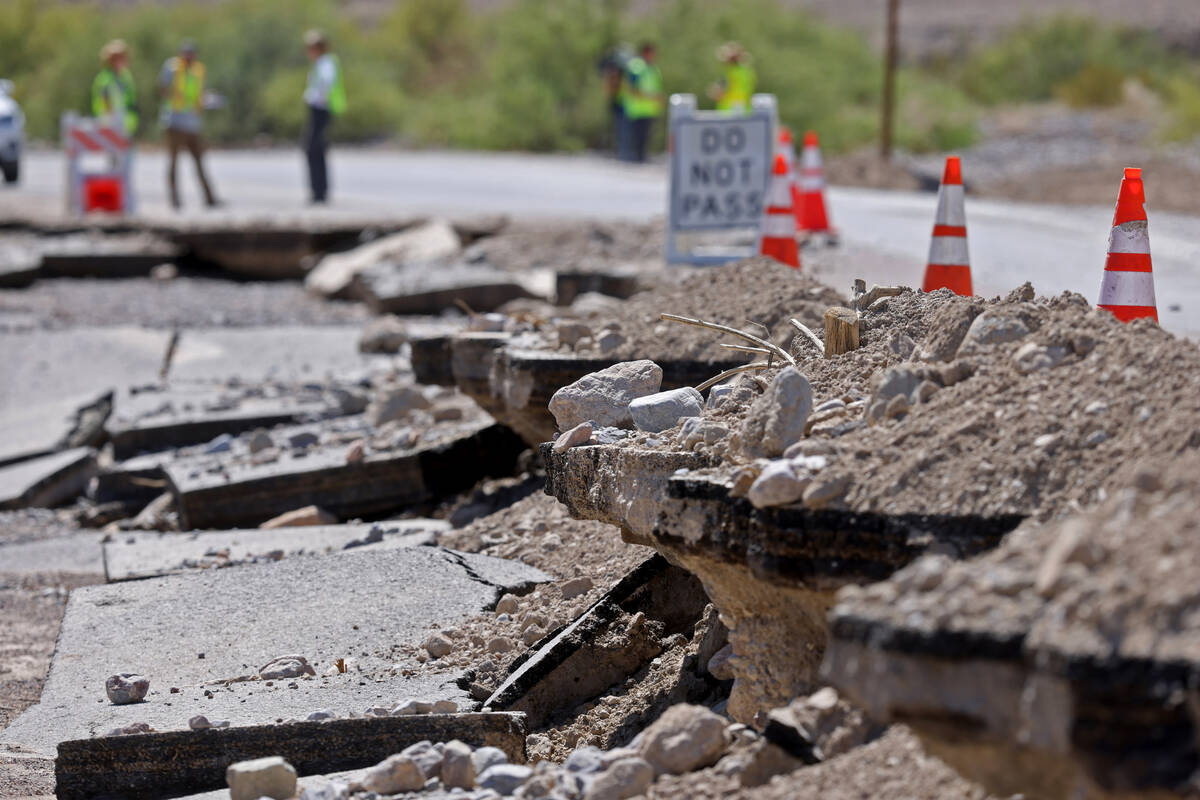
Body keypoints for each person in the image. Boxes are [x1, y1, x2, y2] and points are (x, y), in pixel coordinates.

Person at [159, 40, 218, 209]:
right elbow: (163, 89)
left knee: (199, 161)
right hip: (175, 122)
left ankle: (209, 198)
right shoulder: (172, 67)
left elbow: (199, 92)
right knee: (173, 161)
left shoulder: (198, 70)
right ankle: (174, 199)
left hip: (193, 123)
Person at [302, 29, 346, 205]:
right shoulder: (320, 64)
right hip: (317, 109)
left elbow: (327, 84)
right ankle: (317, 191)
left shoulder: (326, 63)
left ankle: (319, 192)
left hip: (321, 109)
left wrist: (318, 97)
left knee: (314, 148)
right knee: (314, 149)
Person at [620, 42, 663, 163]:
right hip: (637, 109)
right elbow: (632, 88)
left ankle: (641, 157)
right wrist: (650, 97)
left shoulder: (652, 68)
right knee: (636, 136)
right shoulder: (637, 68)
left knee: (645, 136)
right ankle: (634, 158)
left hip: (649, 109)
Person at [92, 40, 138, 135]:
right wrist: (109, 118)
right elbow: (104, 99)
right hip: (108, 120)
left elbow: (131, 100)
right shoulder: (104, 77)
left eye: (122, 58)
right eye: (116, 58)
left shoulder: (126, 76)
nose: (120, 61)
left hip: (125, 122)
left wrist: (132, 119)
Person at [709, 41, 756, 113]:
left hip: (727, 113)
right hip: (745, 112)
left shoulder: (729, 75)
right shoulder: (747, 72)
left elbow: (717, 94)